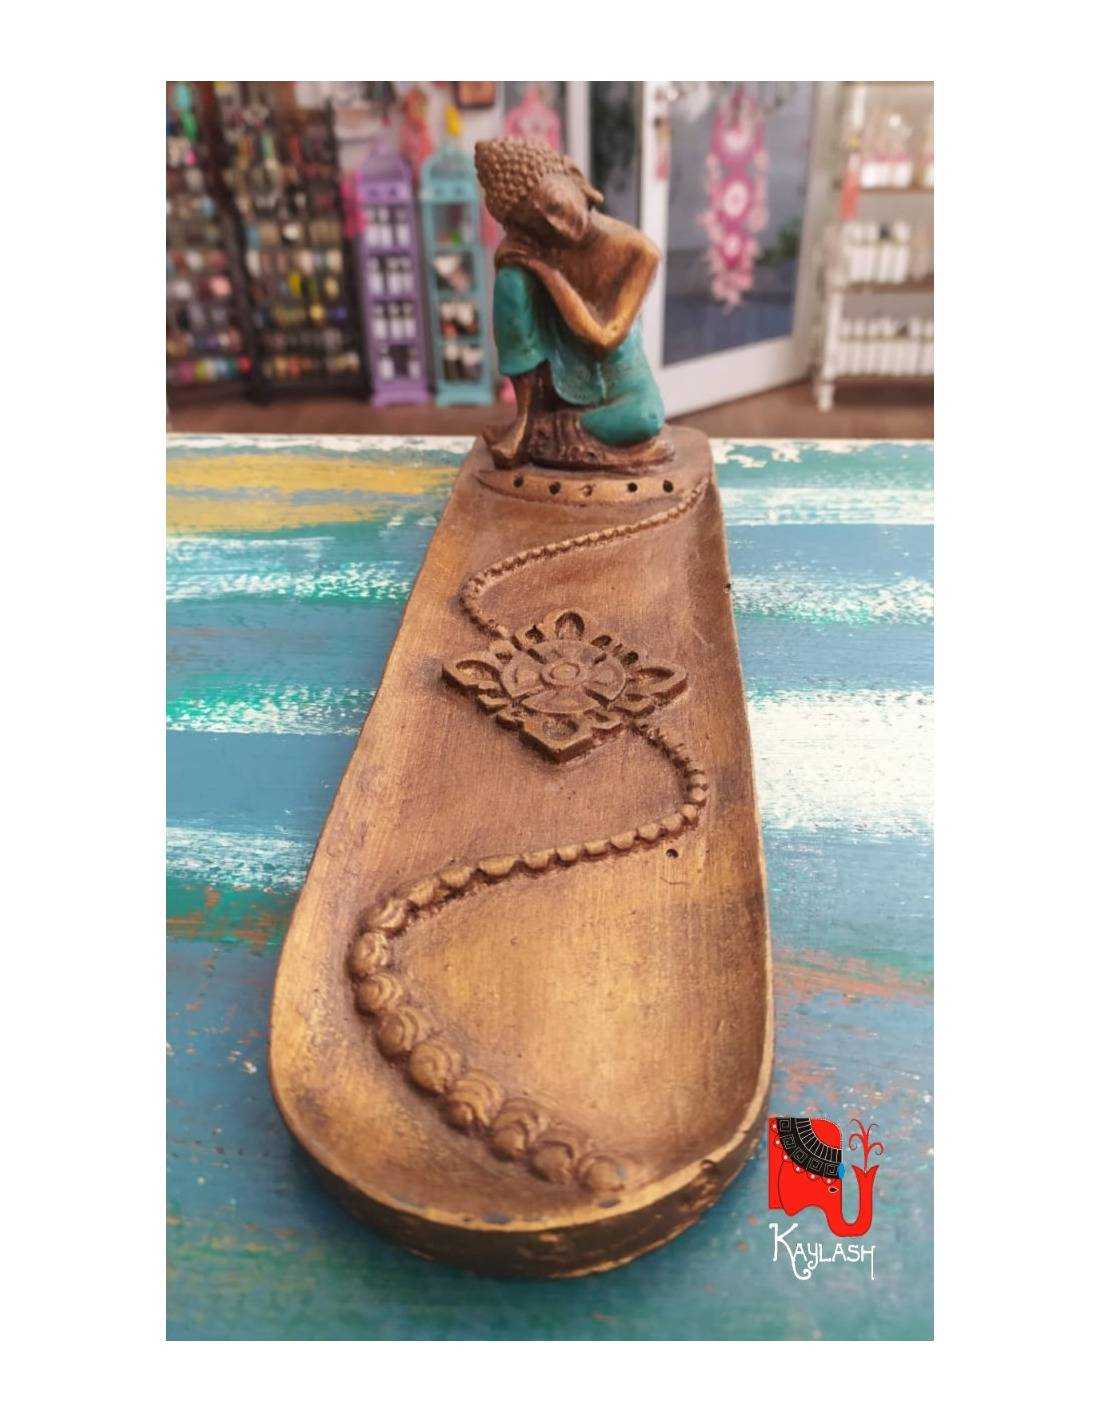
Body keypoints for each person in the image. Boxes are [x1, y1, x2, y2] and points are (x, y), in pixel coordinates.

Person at [474, 137, 670, 470]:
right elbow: (511, 276)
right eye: (537, 224)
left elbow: (604, 338)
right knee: (511, 280)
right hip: (555, 369)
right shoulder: (537, 247)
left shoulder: (638, 252)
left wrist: (548, 272)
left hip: (618, 377)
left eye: (555, 204)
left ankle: (552, 432)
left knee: (646, 417)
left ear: (575, 176)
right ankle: (528, 418)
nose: (557, 226)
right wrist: (523, 264)